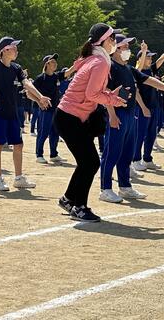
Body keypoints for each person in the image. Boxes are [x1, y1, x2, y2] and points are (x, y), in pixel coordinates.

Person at [99, 33, 164, 203]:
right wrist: (112, 115)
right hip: (117, 114)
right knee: (111, 153)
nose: (128, 50)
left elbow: (149, 80)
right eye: (125, 46)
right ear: (115, 48)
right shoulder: (109, 67)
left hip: (130, 114)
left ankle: (125, 187)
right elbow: (105, 92)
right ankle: (105, 189)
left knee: (127, 153)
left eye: (128, 47)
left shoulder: (129, 69)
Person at [53, 23, 125, 222]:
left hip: (68, 116)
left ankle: (69, 199)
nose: (115, 42)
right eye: (112, 38)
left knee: (87, 162)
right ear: (104, 41)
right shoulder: (100, 62)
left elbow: (92, 91)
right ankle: (79, 207)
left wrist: (109, 95)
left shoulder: (94, 58)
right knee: (90, 162)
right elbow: (92, 94)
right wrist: (112, 100)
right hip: (70, 118)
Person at [0, 37, 51, 192]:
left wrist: (40, 96)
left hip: (12, 112)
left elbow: (26, 83)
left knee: (18, 145)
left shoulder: (16, 68)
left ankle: (18, 178)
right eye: (14, 47)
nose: (16, 50)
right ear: (5, 50)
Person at [132, 38, 164, 172]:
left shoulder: (152, 69)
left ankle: (147, 159)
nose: (150, 59)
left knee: (151, 134)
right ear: (141, 58)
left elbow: (162, 59)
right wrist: (143, 51)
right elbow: (137, 87)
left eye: (150, 57)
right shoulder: (137, 71)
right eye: (147, 57)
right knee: (139, 134)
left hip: (154, 107)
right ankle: (135, 160)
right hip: (142, 107)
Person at [32, 54, 75, 165]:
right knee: (43, 132)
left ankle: (53, 154)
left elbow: (69, 71)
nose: (55, 64)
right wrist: (39, 101)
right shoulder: (40, 78)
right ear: (47, 64)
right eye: (53, 62)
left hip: (56, 109)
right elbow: (29, 92)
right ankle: (39, 155)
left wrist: (79, 62)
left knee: (55, 132)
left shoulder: (56, 76)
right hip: (45, 110)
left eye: (56, 62)